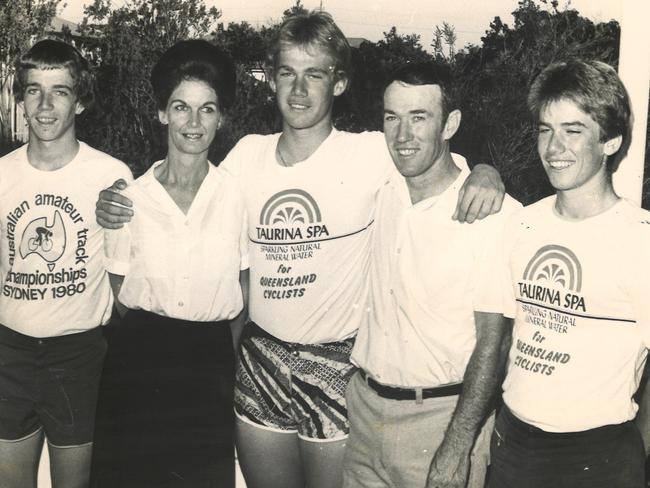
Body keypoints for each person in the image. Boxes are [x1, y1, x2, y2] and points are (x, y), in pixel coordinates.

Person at [95, 11, 505, 488]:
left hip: (334, 363)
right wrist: (116, 198)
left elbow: (437, 160)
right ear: (270, 80)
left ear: (339, 82)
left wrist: (485, 171)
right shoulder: (247, 155)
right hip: (260, 360)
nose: (299, 90)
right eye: (287, 73)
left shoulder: (369, 152)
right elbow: (187, 184)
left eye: (315, 74)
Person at [342, 62, 521, 488]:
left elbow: (494, 345)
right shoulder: (380, 183)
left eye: (419, 117)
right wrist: (486, 166)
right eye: (392, 117)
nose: (402, 136)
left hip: (441, 421)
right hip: (364, 413)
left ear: (450, 123)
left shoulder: (492, 215)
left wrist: (456, 448)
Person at [89, 40, 248, 487]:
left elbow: (245, 283)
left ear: (222, 117)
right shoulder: (129, 200)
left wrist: (215, 353)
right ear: (162, 113)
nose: (193, 123)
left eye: (207, 109)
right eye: (181, 107)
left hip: (210, 364)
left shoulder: (237, 194)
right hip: (140, 362)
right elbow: (121, 292)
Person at [489, 59, 649, 488]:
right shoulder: (522, 224)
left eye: (573, 130)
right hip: (512, 444)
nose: (554, 147)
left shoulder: (640, 240)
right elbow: (504, 337)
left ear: (610, 140)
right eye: (546, 129)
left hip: (597, 457)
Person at [0, 40, 132, 488]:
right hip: (9, 353)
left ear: (80, 99)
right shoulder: (2, 175)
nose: (45, 104)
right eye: (34, 89)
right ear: (20, 95)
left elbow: (123, 286)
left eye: (60, 91)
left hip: (78, 357)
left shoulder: (109, 176)